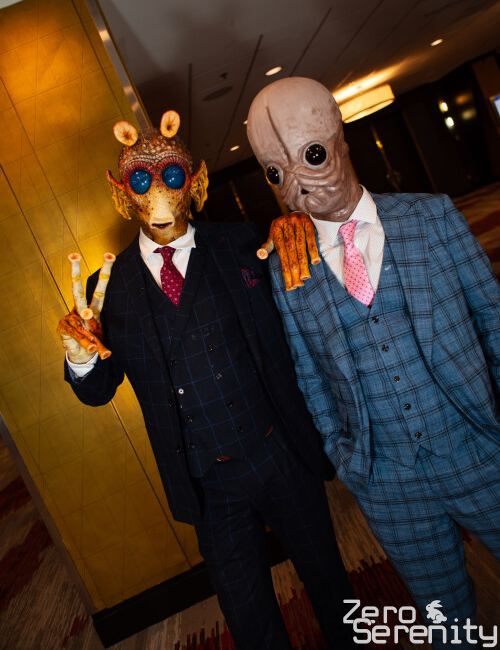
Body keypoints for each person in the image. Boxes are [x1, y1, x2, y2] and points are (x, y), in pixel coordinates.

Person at [57, 112, 355, 650]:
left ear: (193, 181)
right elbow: (98, 391)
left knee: (332, 587)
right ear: (123, 193)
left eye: (170, 174)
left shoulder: (243, 243)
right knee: (249, 618)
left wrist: (298, 228)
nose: (158, 189)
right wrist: (81, 359)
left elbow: (307, 306)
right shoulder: (108, 288)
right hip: (206, 483)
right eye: (141, 179)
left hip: (279, 451)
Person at [247, 76, 500, 648]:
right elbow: (309, 376)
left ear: (341, 139)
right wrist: (350, 460)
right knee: (445, 620)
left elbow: (493, 321)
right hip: (386, 481)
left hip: (480, 447)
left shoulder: (431, 217)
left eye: (312, 156)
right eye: (276, 174)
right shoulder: (289, 266)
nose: (297, 186)